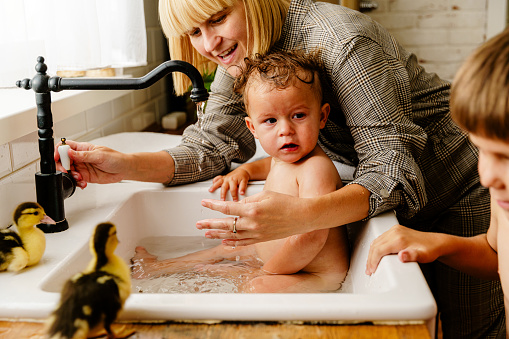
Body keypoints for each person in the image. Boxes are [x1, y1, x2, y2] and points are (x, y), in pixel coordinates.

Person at [54, 0, 503, 337]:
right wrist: (123, 166)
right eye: (193, 32)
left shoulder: (344, 42)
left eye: (217, 18)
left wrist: (300, 217)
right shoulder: (245, 56)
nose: (209, 45)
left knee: (470, 331)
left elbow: (391, 170)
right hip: (397, 208)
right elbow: (213, 144)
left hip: (462, 187)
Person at [131, 50, 350, 293]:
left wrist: (262, 272)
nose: (285, 130)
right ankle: (158, 268)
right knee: (227, 246)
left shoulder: (316, 168)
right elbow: (270, 164)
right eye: (270, 121)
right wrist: (245, 171)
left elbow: (312, 237)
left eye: (298, 115)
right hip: (278, 260)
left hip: (315, 273)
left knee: (255, 288)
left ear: (321, 116)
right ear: (252, 127)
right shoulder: (285, 157)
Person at [366, 28, 509, 337]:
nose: (486, 176)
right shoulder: (505, 205)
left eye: (505, 157)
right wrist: (440, 244)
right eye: (481, 149)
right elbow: (497, 255)